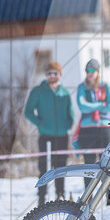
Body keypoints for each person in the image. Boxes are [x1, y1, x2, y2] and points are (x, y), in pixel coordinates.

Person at [23, 61, 74, 207]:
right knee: (43, 167)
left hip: (62, 136)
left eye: (55, 73)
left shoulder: (64, 92)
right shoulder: (38, 91)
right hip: (45, 135)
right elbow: (28, 111)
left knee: (60, 167)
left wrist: (68, 124)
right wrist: (40, 123)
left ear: (60, 74)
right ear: (46, 75)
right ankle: (41, 197)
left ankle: (60, 194)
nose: (52, 76)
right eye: (50, 73)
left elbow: (70, 112)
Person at [74, 59, 110, 165]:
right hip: (87, 129)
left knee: (107, 162)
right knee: (89, 162)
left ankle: (108, 182)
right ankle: (88, 182)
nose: (89, 73)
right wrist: (101, 105)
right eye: (87, 71)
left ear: (97, 71)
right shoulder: (82, 87)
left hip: (105, 128)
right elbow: (82, 107)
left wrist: (90, 106)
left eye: (92, 70)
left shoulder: (105, 86)